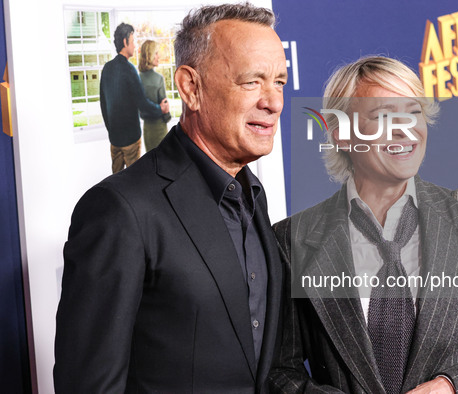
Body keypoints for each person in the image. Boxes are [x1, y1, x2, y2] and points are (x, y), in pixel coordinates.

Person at [270, 56, 458, 393]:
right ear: (340, 134)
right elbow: (281, 371)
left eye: (413, 112)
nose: (405, 129)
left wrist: (451, 387)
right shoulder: (291, 239)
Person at [55, 3, 287, 392]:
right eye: (252, 82)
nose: (274, 102)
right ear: (190, 87)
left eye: (279, 82)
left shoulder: (252, 197)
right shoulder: (120, 211)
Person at [100, 23, 169, 173]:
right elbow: (143, 104)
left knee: (116, 179)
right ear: (125, 42)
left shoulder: (107, 68)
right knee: (134, 180)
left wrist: (111, 131)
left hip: (114, 140)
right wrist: (161, 109)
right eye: (133, 40)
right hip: (131, 139)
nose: (134, 44)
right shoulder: (130, 70)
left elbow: (103, 105)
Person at [139, 39, 172, 152]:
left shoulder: (137, 78)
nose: (158, 56)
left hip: (147, 129)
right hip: (159, 128)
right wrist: (167, 115)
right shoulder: (158, 79)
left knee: (151, 162)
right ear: (150, 55)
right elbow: (165, 108)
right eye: (156, 53)